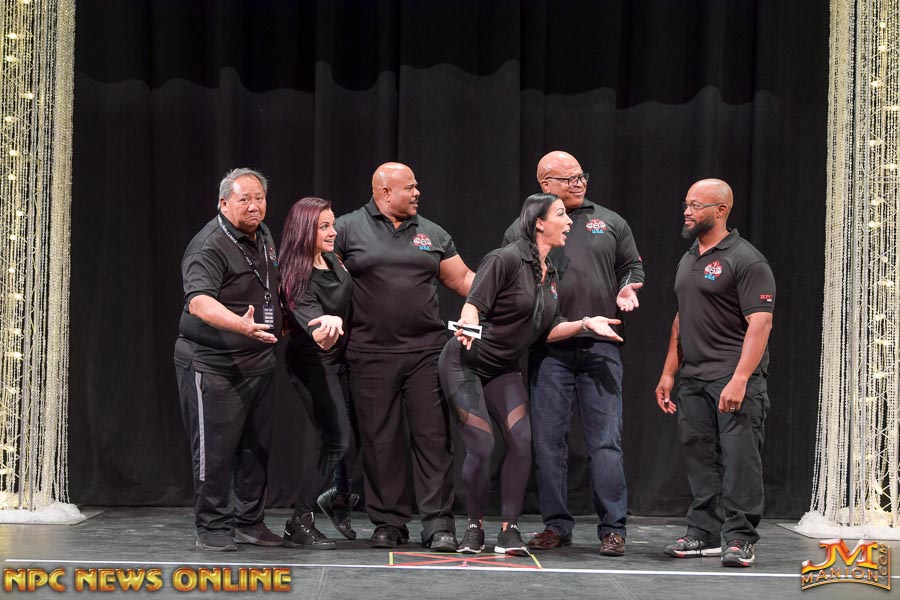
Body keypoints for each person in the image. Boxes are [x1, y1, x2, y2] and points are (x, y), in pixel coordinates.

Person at [441, 193, 624, 556]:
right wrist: (468, 322)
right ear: (539, 223)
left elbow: (548, 329)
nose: (569, 221)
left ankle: (509, 531)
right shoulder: (505, 258)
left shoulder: (550, 271)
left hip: (503, 368)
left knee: (522, 442)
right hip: (466, 362)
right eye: (561, 215)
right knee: (482, 445)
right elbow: (474, 303)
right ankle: (474, 527)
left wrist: (585, 323)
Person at [503, 151, 644, 557]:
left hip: (602, 347)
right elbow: (512, 278)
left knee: (605, 442)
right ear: (545, 184)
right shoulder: (523, 228)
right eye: (568, 179)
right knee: (549, 443)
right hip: (550, 349)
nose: (579, 183)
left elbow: (632, 267)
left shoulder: (611, 221)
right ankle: (556, 525)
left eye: (582, 176)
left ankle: (613, 528)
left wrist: (627, 287)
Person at [334, 162, 475, 551]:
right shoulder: (346, 229)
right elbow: (321, 275)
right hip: (369, 353)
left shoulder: (432, 233)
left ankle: (438, 523)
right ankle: (389, 522)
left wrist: (497, 293)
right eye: (410, 188)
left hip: (426, 352)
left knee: (433, 438)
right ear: (384, 192)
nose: (417, 193)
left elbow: (463, 279)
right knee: (380, 441)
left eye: (417, 187)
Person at [654, 178, 775, 568]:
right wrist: (669, 373)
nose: (687, 212)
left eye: (696, 205)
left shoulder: (746, 259)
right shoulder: (689, 257)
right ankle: (704, 532)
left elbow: (761, 324)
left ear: (721, 210)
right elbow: (682, 318)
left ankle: (740, 537)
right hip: (693, 378)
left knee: (740, 459)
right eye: (686, 204)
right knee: (700, 457)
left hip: (732, 376)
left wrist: (740, 379)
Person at [174, 168, 284, 551]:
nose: (254, 206)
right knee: (215, 451)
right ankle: (212, 527)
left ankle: (249, 522)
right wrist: (240, 325)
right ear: (223, 203)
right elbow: (199, 302)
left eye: (260, 198)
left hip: (259, 361)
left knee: (256, 448)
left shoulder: (263, 235)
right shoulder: (208, 245)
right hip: (213, 363)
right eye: (244, 199)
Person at [279, 197, 359, 550]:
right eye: (323, 226)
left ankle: (337, 496)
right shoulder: (295, 274)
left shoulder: (332, 259)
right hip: (313, 361)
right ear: (304, 230)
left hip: (340, 360)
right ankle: (299, 520)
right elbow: (316, 330)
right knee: (336, 439)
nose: (332, 232)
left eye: (332, 224)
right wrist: (326, 325)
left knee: (343, 438)